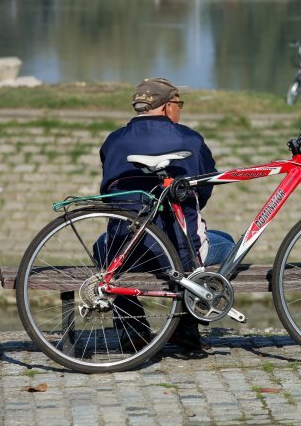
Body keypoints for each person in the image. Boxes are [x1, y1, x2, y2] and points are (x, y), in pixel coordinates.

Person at [95, 77, 235, 350]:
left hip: (128, 246)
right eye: (179, 103)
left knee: (103, 247)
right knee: (229, 244)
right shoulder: (189, 140)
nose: (180, 110)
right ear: (168, 106)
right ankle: (186, 326)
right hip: (176, 247)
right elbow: (203, 191)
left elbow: (107, 192)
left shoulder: (113, 141)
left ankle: (132, 329)